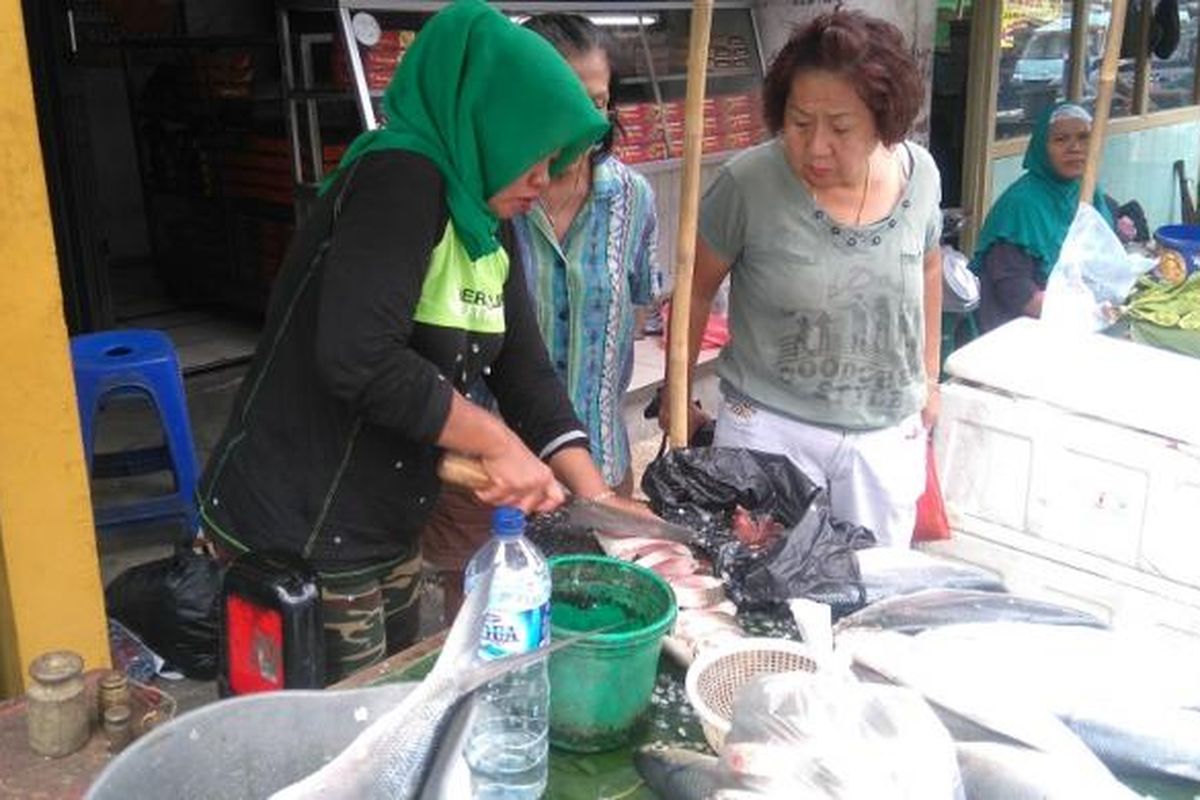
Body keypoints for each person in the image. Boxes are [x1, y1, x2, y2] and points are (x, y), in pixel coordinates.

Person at [196, 0, 621, 684]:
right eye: (533, 155)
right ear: (486, 123)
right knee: (324, 742)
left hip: (386, 524)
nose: (544, 182)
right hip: (302, 528)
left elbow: (525, 372)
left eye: (554, 160)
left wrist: (597, 500)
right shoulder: (400, 176)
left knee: (387, 710)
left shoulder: (485, 218)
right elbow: (358, 356)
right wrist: (495, 442)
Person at [665, 10, 943, 548]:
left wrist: (930, 379)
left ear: (883, 120)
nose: (816, 146)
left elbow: (930, 266)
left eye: (840, 128)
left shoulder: (921, 176)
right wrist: (679, 407)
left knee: (872, 592)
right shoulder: (748, 183)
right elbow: (695, 288)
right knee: (763, 595)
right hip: (769, 431)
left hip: (883, 435)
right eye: (798, 122)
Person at [421, 12, 660, 621]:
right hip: (483, 473)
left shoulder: (633, 199)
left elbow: (630, 316)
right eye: (565, 103)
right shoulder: (473, 199)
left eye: (599, 104)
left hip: (594, 457)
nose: (582, 125)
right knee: (486, 625)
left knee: (592, 621)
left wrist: (598, 488)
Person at [972, 102, 1116, 333]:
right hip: (1023, 327)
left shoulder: (1089, 191)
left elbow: (1104, 261)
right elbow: (1014, 289)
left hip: (1081, 318)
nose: (1075, 148)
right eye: (1061, 140)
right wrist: (1073, 313)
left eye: (1083, 137)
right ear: (1042, 146)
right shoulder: (1022, 204)